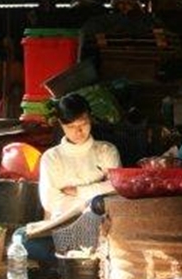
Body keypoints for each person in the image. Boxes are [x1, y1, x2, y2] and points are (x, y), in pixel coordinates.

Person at [21, 93, 121, 263]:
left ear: (90, 119)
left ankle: (72, 260)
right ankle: (74, 258)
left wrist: (78, 191)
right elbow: (50, 202)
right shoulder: (51, 157)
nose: (79, 131)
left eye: (83, 124)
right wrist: (94, 197)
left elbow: (117, 189)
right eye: (71, 126)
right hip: (63, 227)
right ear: (61, 124)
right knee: (20, 239)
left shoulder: (106, 151)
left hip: (99, 227)